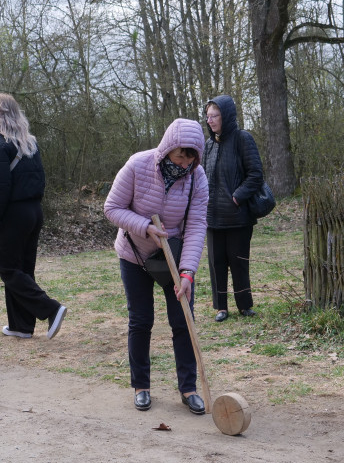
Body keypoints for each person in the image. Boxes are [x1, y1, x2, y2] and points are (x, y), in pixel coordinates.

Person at [105, 118, 209, 414]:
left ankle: (188, 389)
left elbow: (197, 225)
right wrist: (144, 228)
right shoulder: (138, 165)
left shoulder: (197, 178)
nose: (185, 162)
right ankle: (141, 386)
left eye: (191, 156)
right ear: (167, 148)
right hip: (135, 254)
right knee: (141, 320)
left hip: (173, 259)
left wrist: (188, 272)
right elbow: (112, 208)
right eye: (180, 154)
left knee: (183, 320)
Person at [0, 93, 67, 340]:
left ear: (0, 114)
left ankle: (51, 309)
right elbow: (40, 179)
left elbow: (1, 183)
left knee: (9, 269)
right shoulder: (29, 142)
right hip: (33, 211)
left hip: (13, 213)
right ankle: (21, 326)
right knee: (23, 270)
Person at [202, 95, 264, 323]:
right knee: (216, 263)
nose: (210, 120)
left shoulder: (242, 139)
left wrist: (237, 197)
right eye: (208, 116)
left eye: (214, 115)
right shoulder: (207, 146)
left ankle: (245, 305)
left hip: (238, 217)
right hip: (212, 217)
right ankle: (221, 308)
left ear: (226, 116)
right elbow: (202, 179)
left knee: (238, 262)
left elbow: (256, 175)